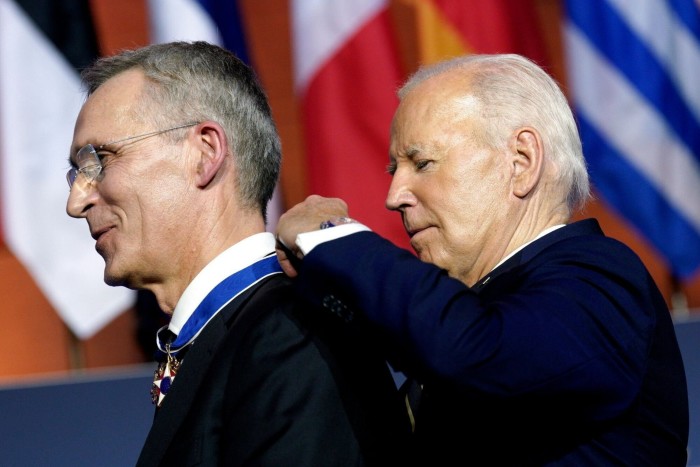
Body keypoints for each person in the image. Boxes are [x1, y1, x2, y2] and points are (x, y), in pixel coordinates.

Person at [275, 54, 689, 466]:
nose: (394, 195)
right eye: (394, 169)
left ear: (521, 161)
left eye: (422, 163)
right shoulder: (475, 312)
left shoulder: (602, 275)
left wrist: (333, 234)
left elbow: (477, 353)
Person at [66, 41, 409, 466]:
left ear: (205, 153)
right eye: (77, 173)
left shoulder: (293, 337)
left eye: (100, 159)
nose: (76, 202)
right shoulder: (232, 336)